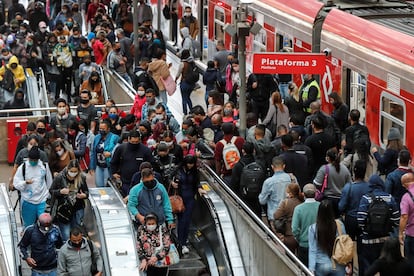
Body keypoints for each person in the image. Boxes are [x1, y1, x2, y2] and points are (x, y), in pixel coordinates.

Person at [357, 175, 400, 275]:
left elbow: (360, 220)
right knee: (385, 268)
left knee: (369, 268)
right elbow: (397, 219)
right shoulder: (389, 198)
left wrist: (367, 230)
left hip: (368, 241)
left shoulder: (366, 198)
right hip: (385, 242)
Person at [171, 155, 207, 254]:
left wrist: (199, 188)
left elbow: (197, 182)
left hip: (190, 198)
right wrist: (172, 183)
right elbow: (170, 178)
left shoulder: (194, 171)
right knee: (181, 220)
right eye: (188, 164)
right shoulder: (178, 170)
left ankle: (183, 242)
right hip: (179, 199)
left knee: (186, 221)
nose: (190, 166)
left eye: (192, 164)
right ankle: (181, 242)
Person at [13, 146, 53, 227]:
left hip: (42, 200)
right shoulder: (23, 168)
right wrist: (25, 183)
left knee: (45, 224)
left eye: (35, 160)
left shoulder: (44, 166)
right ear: (28, 158)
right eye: (31, 160)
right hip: (28, 201)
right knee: (28, 226)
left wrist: (49, 195)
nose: (33, 162)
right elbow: (16, 183)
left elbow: (49, 181)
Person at [49, 160, 89, 241]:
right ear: (68, 169)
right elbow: (51, 190)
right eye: (71, 171)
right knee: (66, 235)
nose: (73, 173)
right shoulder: (59, 177)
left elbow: (86, 192)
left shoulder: (81, 178)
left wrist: (84, 195)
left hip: (77, 208)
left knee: (76, 232)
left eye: (75, 171)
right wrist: (60, 191)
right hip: (63, 211)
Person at [308, 200, 346, 275]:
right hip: (338, 262)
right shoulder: (340, 225)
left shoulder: (313, 228)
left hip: (321, 263)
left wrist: (311, 268)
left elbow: (312, 250)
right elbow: (344, 244)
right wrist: (348, 262)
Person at [110, 130, 154, 196]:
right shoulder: (121, 149)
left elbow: (151, 164)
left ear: (139, 140)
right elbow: (114, 162)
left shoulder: (146, 150)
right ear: (128, 139)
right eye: (132, 142)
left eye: (136, 142)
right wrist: (114, 173)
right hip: (124, 181)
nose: (134, 144)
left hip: (140, 182)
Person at [338, 160, 370, 241]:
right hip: (365, 219)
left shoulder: (349, 187)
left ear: (354, 172)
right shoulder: (369, 187)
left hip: (351, 219)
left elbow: (341, 206)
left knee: (349, 243)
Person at [313, 148, 351, 217]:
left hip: (327, 200)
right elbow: (349, 185)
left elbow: (317, 183)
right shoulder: (345, 169)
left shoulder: (324, 168)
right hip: (340, 200)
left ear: (328, 158)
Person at [258, 157, 292, 230]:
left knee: (276, 239)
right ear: (284, 166)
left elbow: (262, 201)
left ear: (272, 167)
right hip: (290, 215)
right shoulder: (291, 178)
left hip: (274, 215)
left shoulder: (268, 182)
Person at [291, 183, 320, 267]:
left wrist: (298, 238)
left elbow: (295, 228)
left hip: (304, 244)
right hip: (319, 244)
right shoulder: (320, 206)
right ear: (315, 193)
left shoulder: (298, 209)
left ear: (303, 194)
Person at [273, 182, 304, 252]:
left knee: (290, 257)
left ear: (289, 192)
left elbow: (276, 215)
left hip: (289, 233)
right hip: (302, 233)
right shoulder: (302, 201)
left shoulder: (286, 202)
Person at [90, 120, 119, 187]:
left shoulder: (115, 137)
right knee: (98, 185)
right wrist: (92, 166)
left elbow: (119, 151)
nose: (101, 130)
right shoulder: (97, 137)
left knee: (108, 185)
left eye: (103, 129)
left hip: (108, 166)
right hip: (99, 165)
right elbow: (93, 152)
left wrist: (111, 154)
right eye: (100, 128)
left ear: (108, 129)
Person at [399, 172, 414, 272]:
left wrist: (400, 233)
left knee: (411, 262)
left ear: (404, 184)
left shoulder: (406, 197)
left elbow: (404, 217)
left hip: (412, 235)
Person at [176, 49, 196, 115]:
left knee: (184, 98)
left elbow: (178, 73)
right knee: (188, 97)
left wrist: (175, 80)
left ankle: (185, 112)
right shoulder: (193, 62)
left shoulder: (183, 63)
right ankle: (192, 110)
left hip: (184, 82)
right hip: (192, 83)